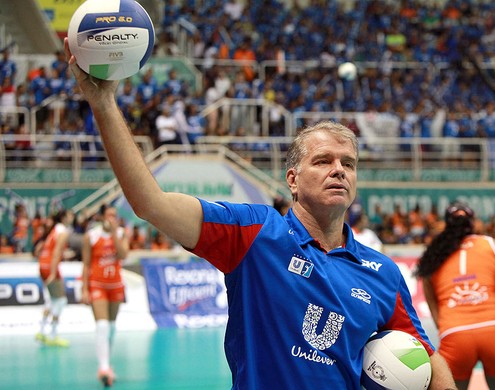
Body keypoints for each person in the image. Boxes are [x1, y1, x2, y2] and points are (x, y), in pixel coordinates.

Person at [64, 39, 456, 390]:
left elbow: (427, 356)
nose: (339, 170)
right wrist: (104, 103)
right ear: (293, 180)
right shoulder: (253, 233)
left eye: (348, 164)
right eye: (323, 161)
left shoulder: (382, 273)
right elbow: (150, 203)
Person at [416, 201, 495, 390]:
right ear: (473, 223)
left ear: (447, 224)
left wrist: (450, 330)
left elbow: (436, 313)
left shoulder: (434, 255)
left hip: (455, 333)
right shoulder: (493, 244)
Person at [81, 205, 129, 387]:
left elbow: (123, 254)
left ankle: (107, 363)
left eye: (114, 215)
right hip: (97, 284)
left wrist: (115, 233)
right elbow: (86, 264)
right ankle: (103, 367)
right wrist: (84, 289)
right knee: (101, 325)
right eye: (109, 215)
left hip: (115, 285)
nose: (112, 218)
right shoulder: (91, 236)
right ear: (101, 217)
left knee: (111, 326)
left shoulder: (121, 233)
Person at [36, 209, 74, 347]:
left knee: (51, 299)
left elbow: (41, 249)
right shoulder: (63, 231)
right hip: (50, 266)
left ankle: (41, 331)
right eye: (70, 215)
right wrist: (53, 273)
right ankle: (53, 334)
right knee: (61, 300)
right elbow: (57, 251)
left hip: (43, 264)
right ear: (64, 217)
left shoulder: (54, 230)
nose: (72, 218)